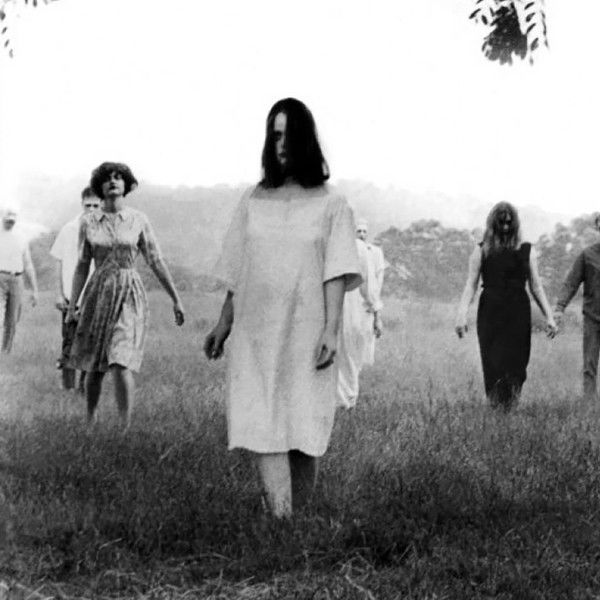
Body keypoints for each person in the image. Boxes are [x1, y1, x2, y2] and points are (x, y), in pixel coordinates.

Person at [204, 98, 361, 518]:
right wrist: (223, 322)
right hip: (256, 326)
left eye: (290, 135)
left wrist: (331, 330)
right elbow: (239, 267)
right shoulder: (253, 199)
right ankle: (281, 516)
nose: (282, 144)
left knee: (302, 418)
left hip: (306, 326)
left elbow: (336, 271)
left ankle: (299, 519)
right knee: (262, 413)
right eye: (275, 135)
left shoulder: (332, 203)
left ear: (306, 140)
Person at [66, 162, 185, 430]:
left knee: (121, 361)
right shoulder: (88, 222)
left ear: (126, 184)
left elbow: (155, 259)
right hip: (98, 294)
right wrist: (73, 305)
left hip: (129, 293)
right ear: (100, 186)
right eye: (107, 178)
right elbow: (82, 265)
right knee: (95, 364)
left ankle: (124, 429)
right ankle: (90, 420)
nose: (113, 181)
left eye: (118, 177)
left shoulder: (138, 219)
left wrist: (176, 298)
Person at [455, 202, 557, 410]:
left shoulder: (527, 250)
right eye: (500, 223)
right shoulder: (481, 250)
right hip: (490, 311)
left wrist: (549, 317)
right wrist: (461, 314)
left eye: (509, 223)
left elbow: (536, 286)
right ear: (493, 224)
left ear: (515, 224)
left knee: (517, 361)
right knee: (492, 361)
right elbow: (471, 284)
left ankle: (511, 406)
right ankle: (495, 407)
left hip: (518, 311)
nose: (504, 227)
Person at [50, 187, 100, 391]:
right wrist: (58, 294)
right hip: (71, 298)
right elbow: (58, 261)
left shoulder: (106, 231)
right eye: (88, 205)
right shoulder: (69, 229)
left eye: (96, 205)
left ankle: (83, 388)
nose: (91, 209)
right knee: (69, 343)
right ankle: (67, 388)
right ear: (82, 204)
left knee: (91, 345)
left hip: (95, 298)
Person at [554, 213, 600, 402]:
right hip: (592, 318)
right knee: (589, 365)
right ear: (598, 228)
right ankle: (589, 406)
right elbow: (571, 283)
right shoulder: (587, 255)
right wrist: (559, 308)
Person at [337, 236, 379, 409]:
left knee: (348, 357)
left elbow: (369, 286)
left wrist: (376, 314)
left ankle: (346, 403)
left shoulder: (359, 248)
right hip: (327, 309)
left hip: (352, 312)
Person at [0, 208, 38, 354]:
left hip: (17, 279)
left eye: (12, 221)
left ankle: (5, 351)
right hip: (0, 277)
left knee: (13, 319)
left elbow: (28, 264)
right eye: (7, 220)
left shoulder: (21, 238)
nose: (10, 223)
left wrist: (35, 290)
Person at [355, 218, 384, 364]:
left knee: (367, 340)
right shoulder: (351, 251)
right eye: (358, 231)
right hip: (353, 301)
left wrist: (376, 312)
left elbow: (377, 280)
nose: (361, 234)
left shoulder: (375, 252)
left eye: (364, 231)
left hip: (368, 302)